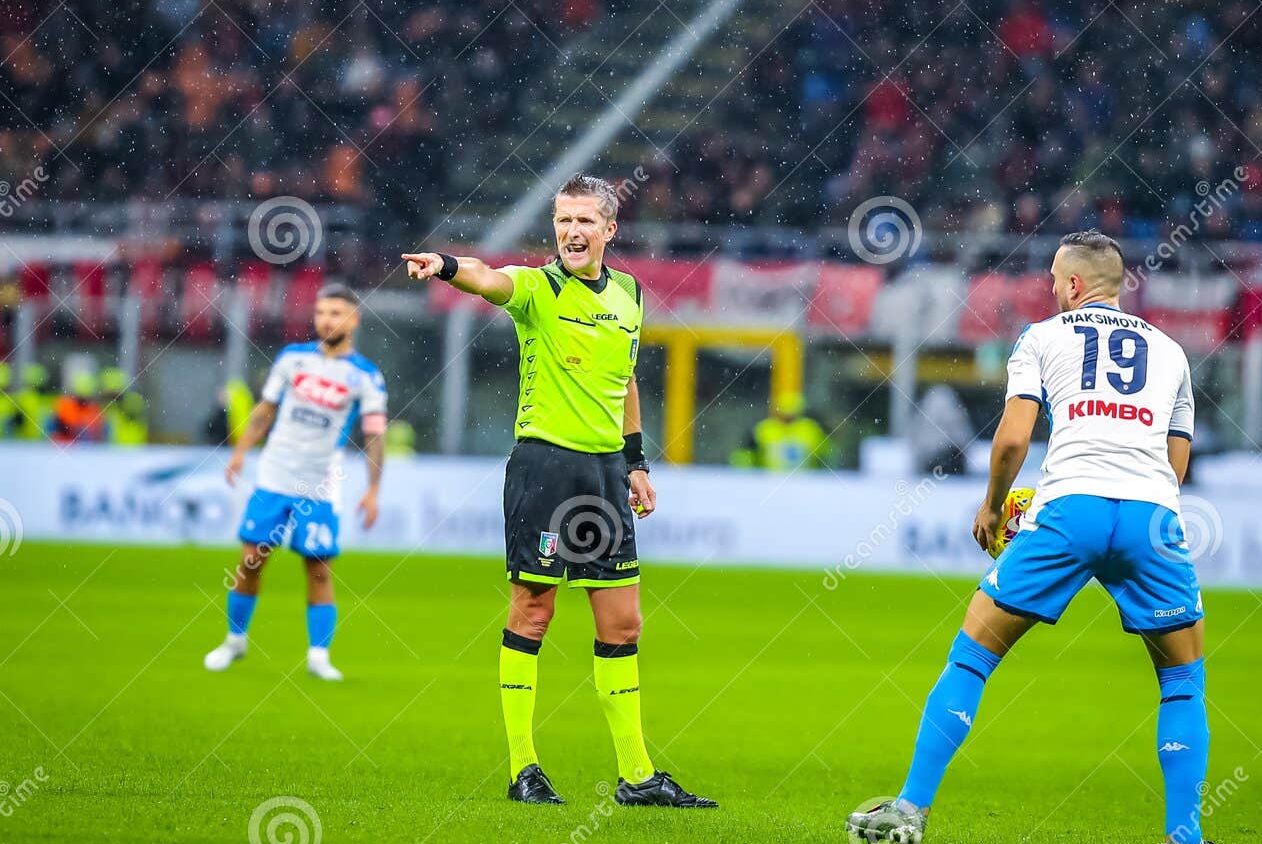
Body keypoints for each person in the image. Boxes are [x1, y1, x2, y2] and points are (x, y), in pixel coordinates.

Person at [847, 231, 1252, 844]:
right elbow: (1177, 460)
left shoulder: (1043, 337)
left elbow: (1012, 439)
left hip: (1070, 510)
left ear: (1069, 285)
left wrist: (992, 505)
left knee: (973, 655)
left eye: (1054, 282)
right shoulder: (1171, 351)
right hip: (1152, 516)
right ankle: (1184, 841)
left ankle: (910, 808)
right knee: (1182, 680)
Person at [403, 173, 715, 809]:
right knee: (533, 611)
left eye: (583, 222)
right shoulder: (537, 289)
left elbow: (625, 382)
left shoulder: (628, 294)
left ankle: (635, 776)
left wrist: (636, 462)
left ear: (608, 230)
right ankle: (524, 769)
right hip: (545, 468)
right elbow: (489, 278)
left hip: (604, 475)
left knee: (623, 624)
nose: (571, 232)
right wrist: (445, 265)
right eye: (563, 221)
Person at [202, 284, 387, 682]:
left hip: (320, 485)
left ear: (353, 320)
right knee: (252, 560)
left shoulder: (366, 377)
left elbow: (374, 434)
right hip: (274, 474)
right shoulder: (292, 359)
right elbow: (265, 410)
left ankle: (319, 656)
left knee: (319, 570)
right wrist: (240, 452)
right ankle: (235, 641)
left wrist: (373, 489)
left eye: (336, 313)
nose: (326, 320)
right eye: (321, 312)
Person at [732, 391, 833, 470]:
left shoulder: (811, 429)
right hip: (769, 481)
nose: (788, 417)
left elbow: (828, 454)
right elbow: (746, 455)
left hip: (803, 482)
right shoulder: (764, 429)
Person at [50, 371, 109, 443]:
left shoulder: (95, 410)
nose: (83, 402)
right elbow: (56, 429)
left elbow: (99, 434)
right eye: (80, 398)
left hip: (87, 449)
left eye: (86, 398)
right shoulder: (64, 406)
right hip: (63, 445)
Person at [100, 367, 149, 445]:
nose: (110, 397)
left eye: (113, 393)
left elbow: (133, 415)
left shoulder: (132, 401)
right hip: (112, 449)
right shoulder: (109, 407)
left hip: (132, 447)